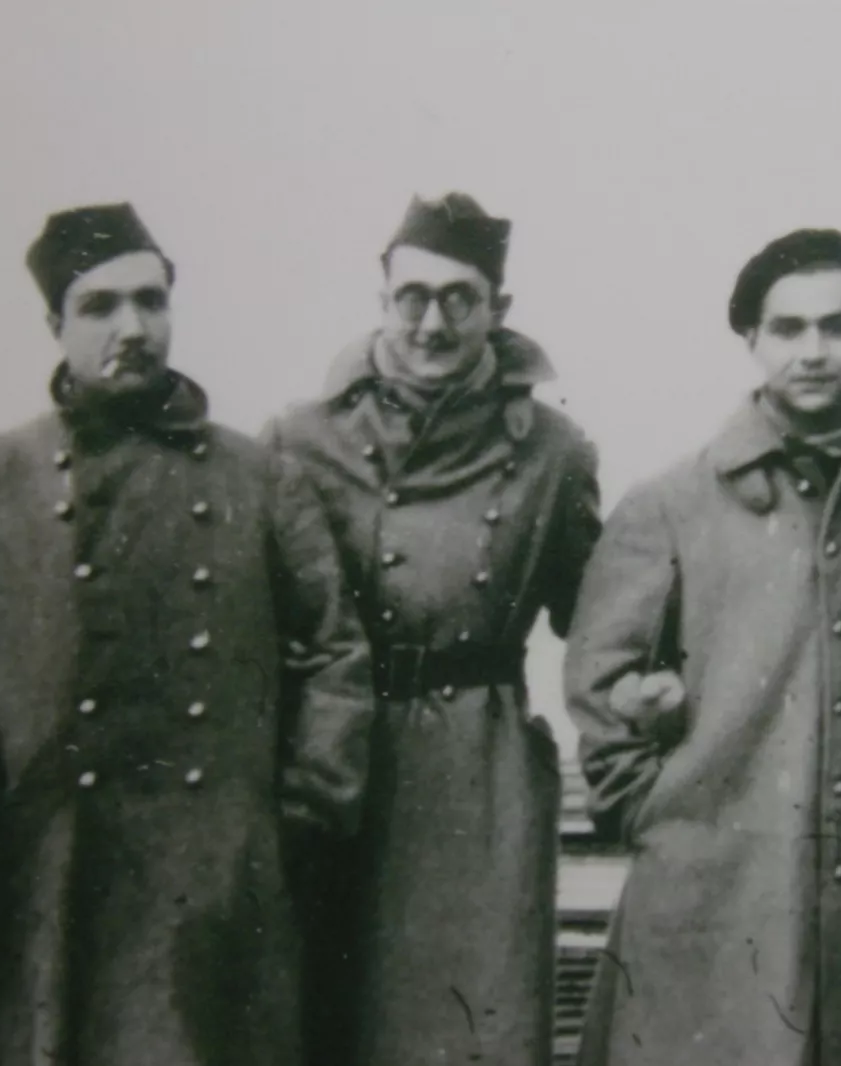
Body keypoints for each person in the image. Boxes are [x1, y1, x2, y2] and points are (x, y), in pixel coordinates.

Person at [0, 203, 373, 1066]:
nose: (134, 328)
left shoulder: (263, 481)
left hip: (208, 888)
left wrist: (298, 815)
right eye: (100, 306)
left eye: (151, 301)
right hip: (30, 876)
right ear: (55, 326)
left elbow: (336, 652)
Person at [564, 229, 841, 1066]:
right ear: (752, 339)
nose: (813, 351)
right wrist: (655, 809)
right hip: (717, 891)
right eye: (788, 328)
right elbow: (601, 681)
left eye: (836, 326)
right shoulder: (671, 505)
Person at [264, 192, 602, 1066]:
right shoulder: (300, 439)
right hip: (336, 764)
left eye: (460, 299)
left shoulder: (555, 452)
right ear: (382, 300)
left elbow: (599, 618)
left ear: (498, 309)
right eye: (412, 297)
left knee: (465, 1024)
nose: (432, 324)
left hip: (477, 772)